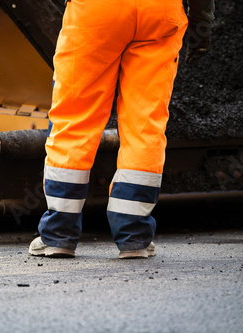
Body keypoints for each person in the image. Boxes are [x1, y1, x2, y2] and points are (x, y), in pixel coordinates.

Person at [29, 0, 214, 259]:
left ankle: (58, 234)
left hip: (98, 10)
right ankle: (134, 238)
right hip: (160, 13)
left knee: (76, 116)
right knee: (145, 124)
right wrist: (201, 24)